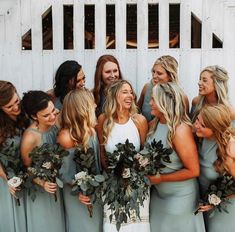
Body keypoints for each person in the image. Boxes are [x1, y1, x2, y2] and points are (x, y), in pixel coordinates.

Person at [147, 82, 205, 232]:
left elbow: (193, 170)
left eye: (153, 99)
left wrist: (161, 179)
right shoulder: (154, 123)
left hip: (180, 197)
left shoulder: (180, 130)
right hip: (158, 196)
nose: (150, 103)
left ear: (164, 102)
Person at [96, 80, 149, 231]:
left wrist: (132, 176)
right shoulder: (103, 120)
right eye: (125, 92)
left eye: (131, 92)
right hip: (111, 184)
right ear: (114, 96)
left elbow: (145, 153)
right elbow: (102, 153)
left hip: (137, 186)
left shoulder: (139, 120)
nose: (130, 96)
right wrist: (114, 176)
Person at [57, 89, 103, 232]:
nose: (95, 106)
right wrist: (80, 191)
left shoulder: (91, 130)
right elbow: (65, 173)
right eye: (91, 103)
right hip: (76, 193)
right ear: (82, 108)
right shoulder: (67, 136)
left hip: (93, 190)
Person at [20, 90, 65, 232]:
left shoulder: (57, 120)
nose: (52, 116)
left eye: (53, 111)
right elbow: (26, 168)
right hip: (42, 192)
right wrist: (42, 183)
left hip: (59, 187)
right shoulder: (30, 138)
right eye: (46, 115)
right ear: (34, 116)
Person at [194, 104, 235, 232]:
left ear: (215, 129)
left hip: (224, 210)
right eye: (197, 121)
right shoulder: (203, 137)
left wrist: (217, 199)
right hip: (203, 205)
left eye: (202, 126)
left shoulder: (229, 151)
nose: (196, 126)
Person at [0, 81, 29, 232]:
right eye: (9, 107)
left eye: (16, 101)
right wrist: (7, 180)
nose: (16, 108)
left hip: (25, 174)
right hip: (6, 177)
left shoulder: (24, 112)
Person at [137, 55, 189, 121]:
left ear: (170, 75)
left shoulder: (181, 97)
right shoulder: (147, 88)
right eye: (153, 71)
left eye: (159, 73)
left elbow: (184, 123)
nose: (154, 76)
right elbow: (136, 111)